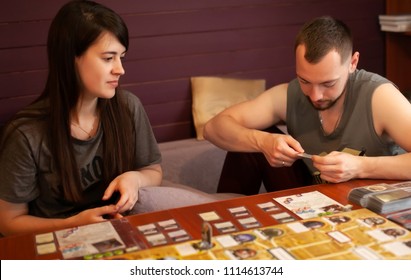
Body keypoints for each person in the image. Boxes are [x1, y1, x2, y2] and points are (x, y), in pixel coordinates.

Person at [0, 0, 163, 237]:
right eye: (108, 58)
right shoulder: (27, 134)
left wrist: (135, 179)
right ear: (71, 58)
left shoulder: (128, 106)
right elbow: (8, 223)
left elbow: (153, 169)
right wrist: (73, 224)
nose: (120, 69)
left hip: (119, 235)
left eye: (121, 57)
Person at [204, 16, 411, 195]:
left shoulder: (379, 96)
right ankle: (222, 227)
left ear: (353, 63)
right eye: (305, 81)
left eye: (328, 83)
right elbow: (213, 128)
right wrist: (263, 142)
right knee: (252, 138)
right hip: (311, 200)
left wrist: (360, 167)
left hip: (370, 203)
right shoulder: (288, 94)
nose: (315, 95)